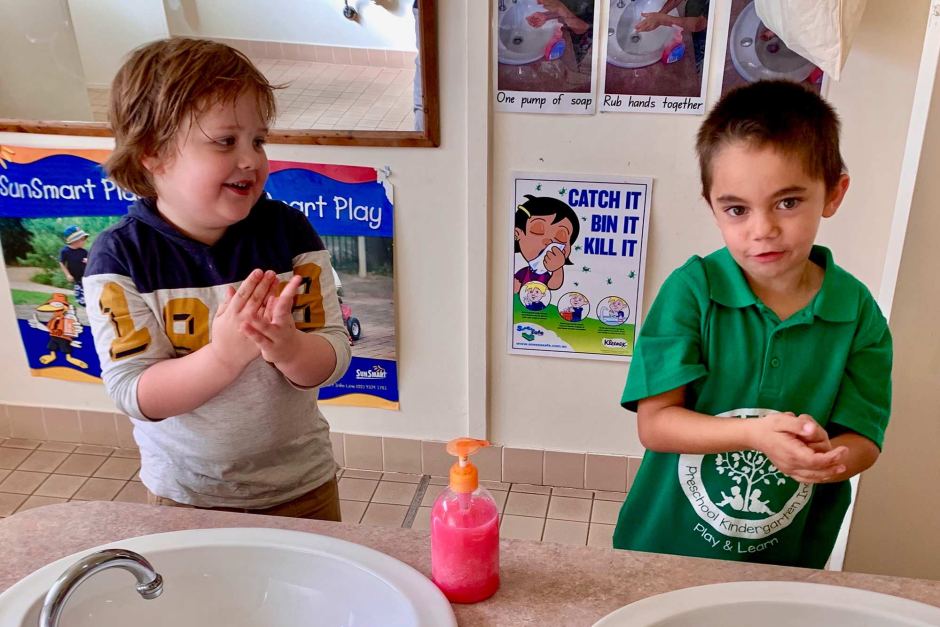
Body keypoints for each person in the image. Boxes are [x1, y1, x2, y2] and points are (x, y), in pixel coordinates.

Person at [612, 80, 892, 568]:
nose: (762, 229)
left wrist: (827, 458)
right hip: (663, 548)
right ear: (712, 207)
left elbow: (864, 441)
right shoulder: (692, 290)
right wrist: (756, 435)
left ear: (833, 192)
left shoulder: (857, 311)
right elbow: (655, 425)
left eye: (788, 202)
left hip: (786, 560)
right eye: (737, 209)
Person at [84, 38, 351, 520]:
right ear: (152, 152)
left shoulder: (288, 232)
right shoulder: (119, 256)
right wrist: (225, 355)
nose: (250, 158)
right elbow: (134, 392)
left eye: (258, 139)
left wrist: (289, 347)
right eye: (226, 141)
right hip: (187, 496)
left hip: (303, 486)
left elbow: (332, 355)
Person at [513, 194, 580, 293]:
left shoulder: (546, 275)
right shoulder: (522, 272)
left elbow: (554, 285)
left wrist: (557, 269)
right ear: (517, 234)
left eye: (561, 235)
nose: (549, 241)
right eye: (538, 229)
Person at [635, 0, 709, 76]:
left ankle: (697, 69)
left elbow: (699, 24)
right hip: (698, 9)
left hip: (707, 30)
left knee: (694, 58)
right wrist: (660, 14)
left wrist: (662, 20)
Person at [59, 225, 89, 307]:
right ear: (75, 240)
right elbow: (61, 262)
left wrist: (88, 262)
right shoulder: (65, 251)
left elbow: (91, 262)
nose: (85, 241)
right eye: (83, 239)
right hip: (77, 280)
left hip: (86, 278)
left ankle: (92, 311)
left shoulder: (84, 252)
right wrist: (67, 274)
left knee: (90, 298)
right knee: (81, 300)